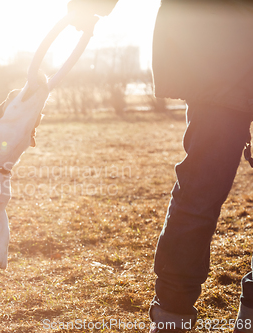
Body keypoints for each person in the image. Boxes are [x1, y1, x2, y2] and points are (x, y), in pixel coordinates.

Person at [67, 0, 253, 332]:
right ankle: (172, 319)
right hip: (220, 50)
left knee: (199, 192)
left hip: (217, 48)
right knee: (200, 190)